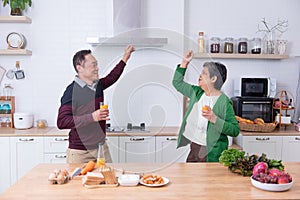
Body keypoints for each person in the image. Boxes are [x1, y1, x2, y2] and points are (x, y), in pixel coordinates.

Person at [57, 45, 135, 163]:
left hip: (101, 149)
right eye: (93, 65)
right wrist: (93, 117)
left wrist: (125, 57)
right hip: (80, 152)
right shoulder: (71, 92)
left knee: (109, 180)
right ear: (80, 68)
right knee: (79, 182)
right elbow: (62, 121)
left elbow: (112, 77)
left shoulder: (97, 85)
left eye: (96, 64)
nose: (97, 68)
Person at [172, 50, 239, 162]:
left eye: (204, 73)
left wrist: (214, 119)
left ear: (213, 79)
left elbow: (235, 130)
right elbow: (177, 83)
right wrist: (184, 63)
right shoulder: (197, 92)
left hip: (211, 152)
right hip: (194, 147)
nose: (200, 75)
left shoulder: (224, 102)